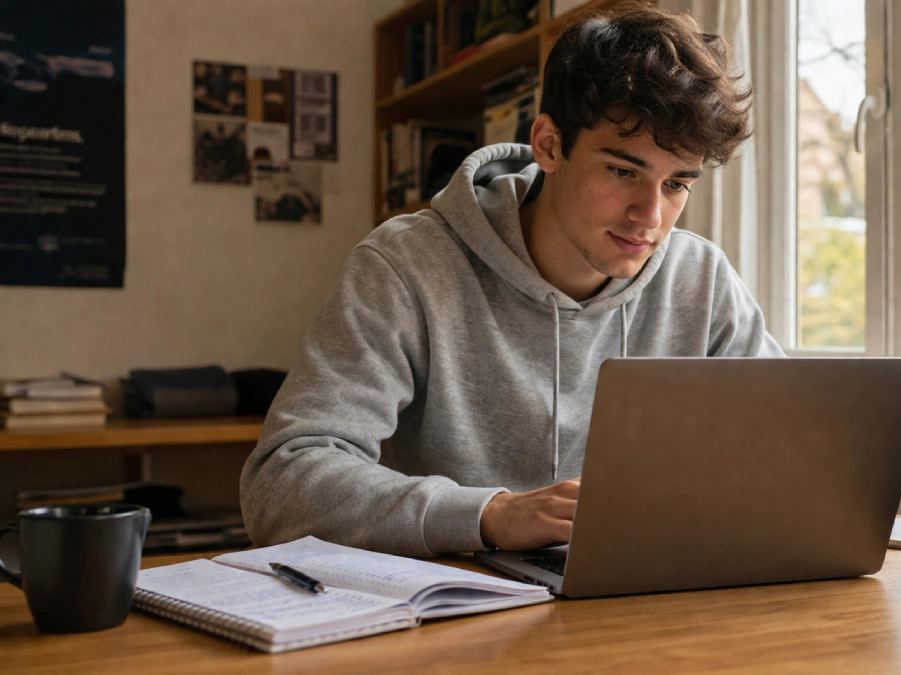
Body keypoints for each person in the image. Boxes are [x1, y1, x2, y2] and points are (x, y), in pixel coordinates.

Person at [240, 5, 784, 559]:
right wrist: (491, 514)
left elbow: (791, 448)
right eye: (624, 172)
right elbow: (281, 484)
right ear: (548, 144)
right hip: (448, 613)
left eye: (677, 184)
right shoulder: (405, 265)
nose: (650, 216)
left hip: (635, 600)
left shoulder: (702, 279)